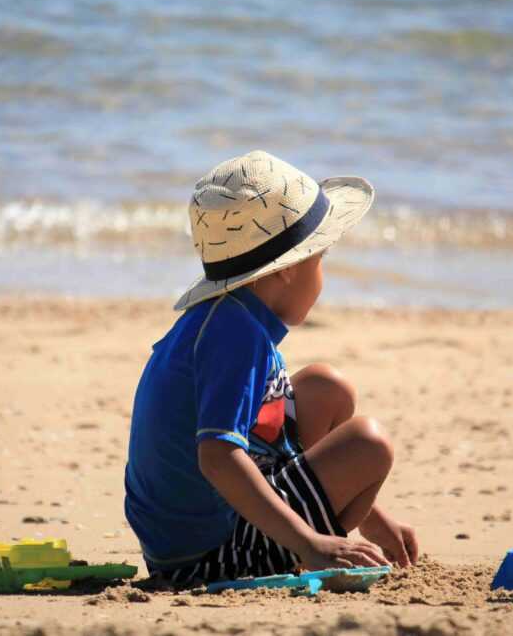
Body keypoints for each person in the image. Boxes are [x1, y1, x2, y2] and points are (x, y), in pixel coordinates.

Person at [124, 150, 418, 585]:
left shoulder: (225, 316)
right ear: (285, 271)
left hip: (192, 533)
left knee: (325, 388)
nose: (322, 276)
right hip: (211, 554)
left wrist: (371, 516)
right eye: (319, 261)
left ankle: (322, 525)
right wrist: (309, 544)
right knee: (369, 443)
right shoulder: (234, 336)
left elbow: (261, 431)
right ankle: (312, 541)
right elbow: (219, 457)